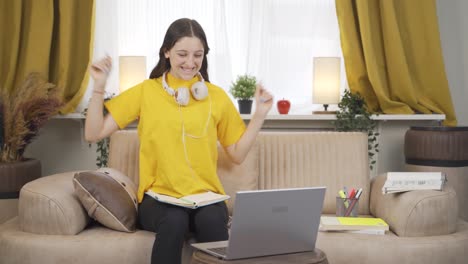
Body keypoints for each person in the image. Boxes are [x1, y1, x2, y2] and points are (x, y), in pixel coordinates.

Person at [85, 18, 273, 264]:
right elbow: (94, 133)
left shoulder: (215, 97)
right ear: (166, 52)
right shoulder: (146, 91)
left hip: (206, 197)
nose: (191, 62)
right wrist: (98, 86)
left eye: (198, 55)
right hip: (158, 199)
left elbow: (236, 155)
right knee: (174, 220)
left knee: (212, 220)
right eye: (182, 54)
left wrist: (259, 115)